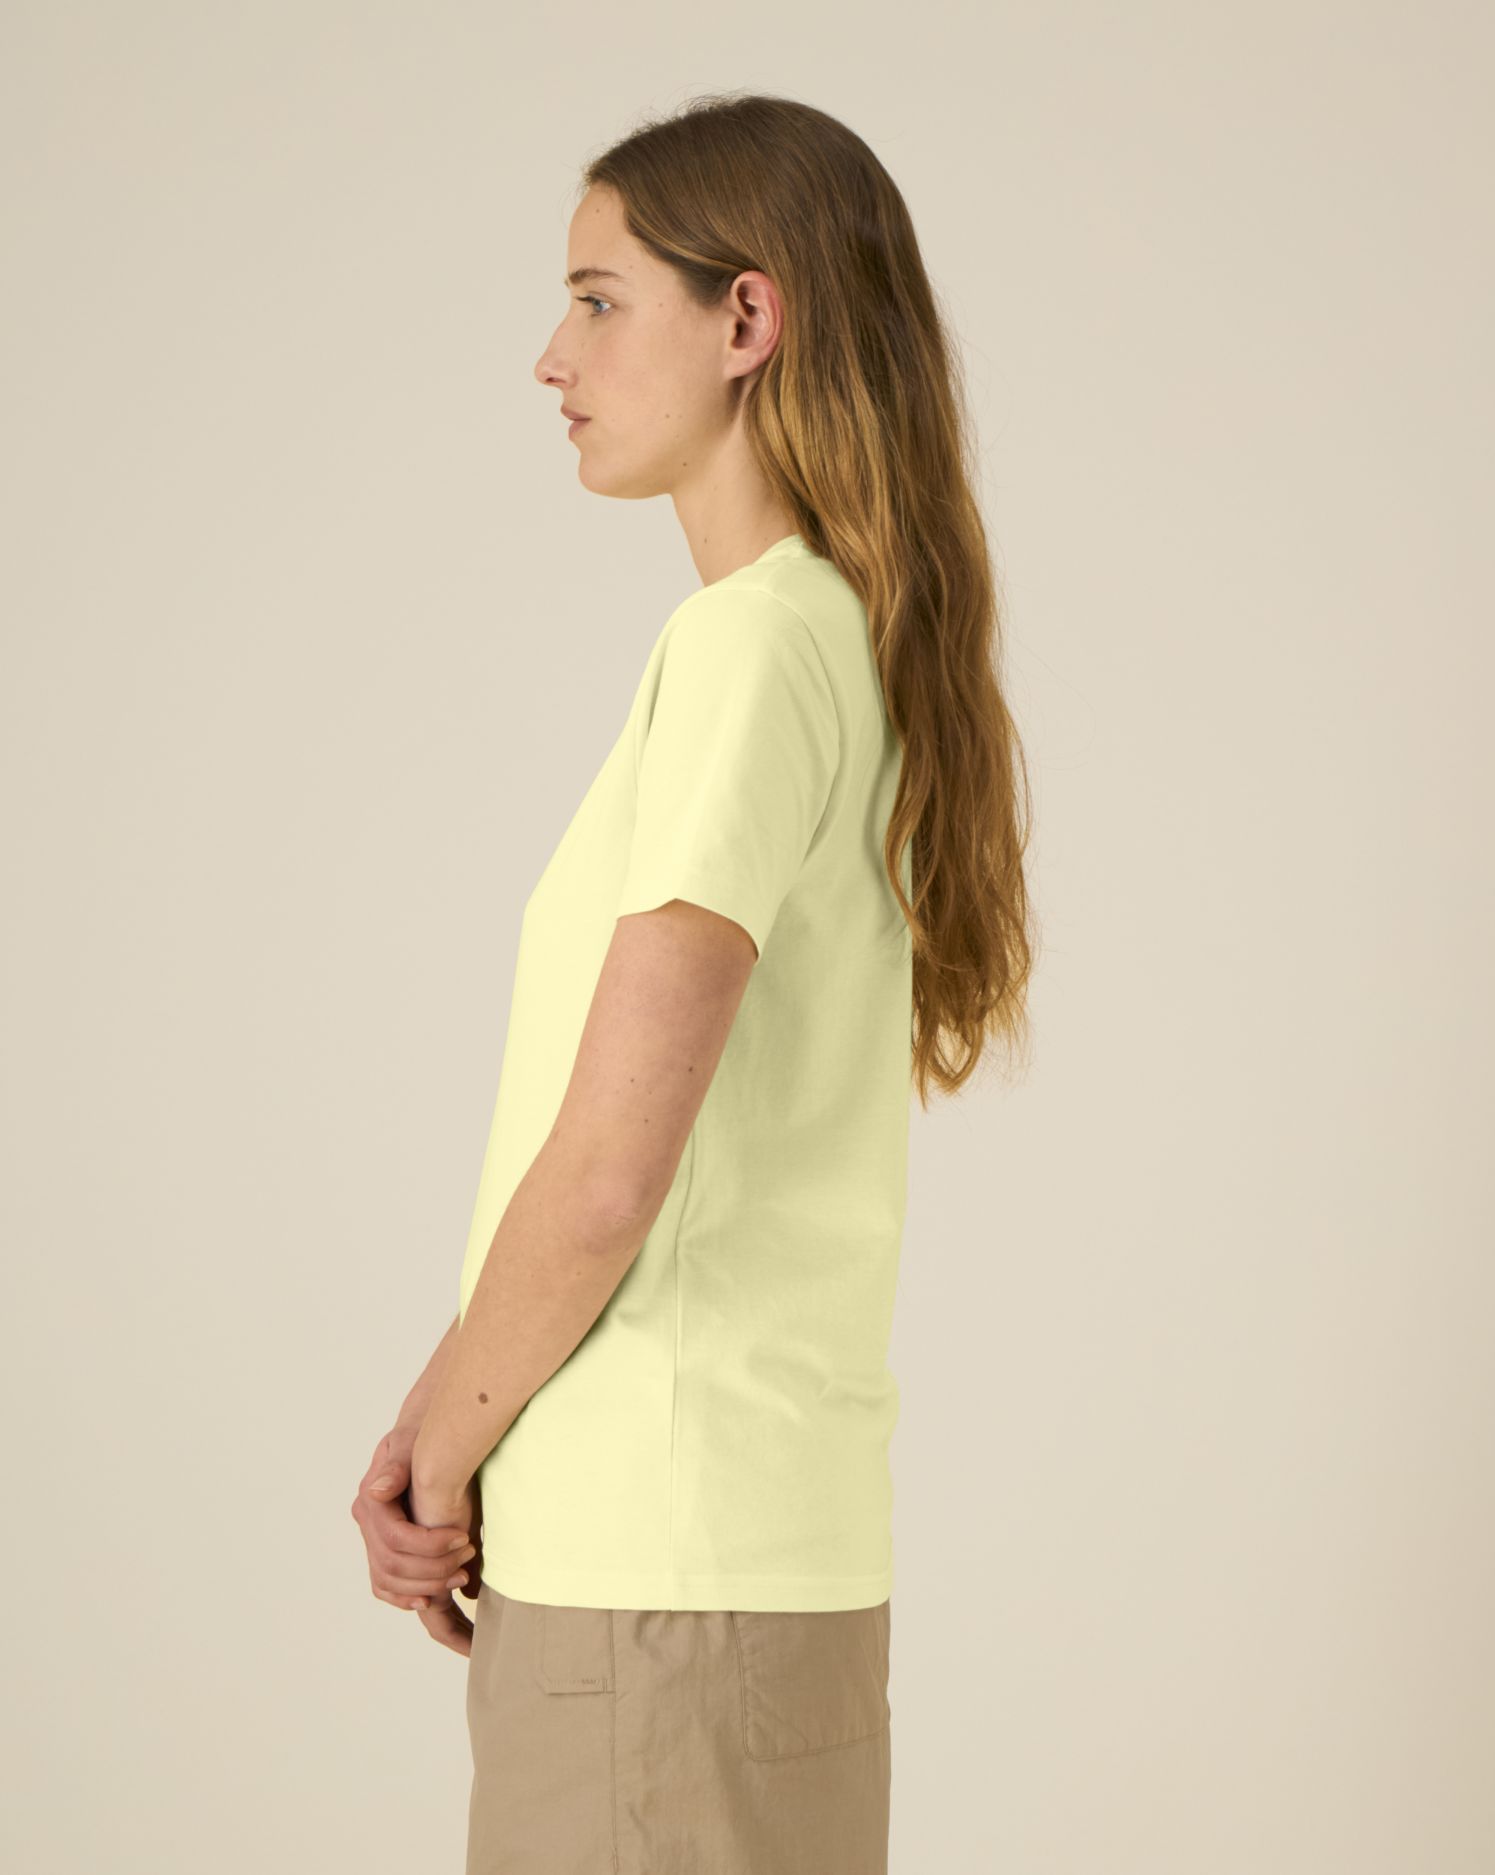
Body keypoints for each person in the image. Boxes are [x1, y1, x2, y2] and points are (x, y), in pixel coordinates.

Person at [349, 90, 1035, 1875]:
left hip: (648, 1594)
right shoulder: (843, 641)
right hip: (763, 1571)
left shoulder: (746, 651)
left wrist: (441, 1457)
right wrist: (440, 1413)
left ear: (748, 319)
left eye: (598, 300)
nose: (551, 357)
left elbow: (607, 1173)